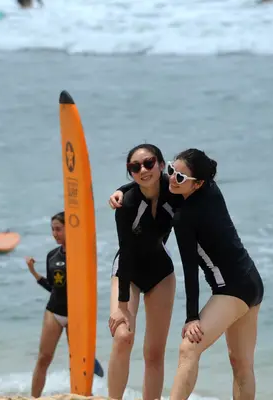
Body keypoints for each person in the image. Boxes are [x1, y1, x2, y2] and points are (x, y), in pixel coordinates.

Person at [164, 149, 264, 400]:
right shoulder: (211, 189)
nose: (171, 179)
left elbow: (190, 269)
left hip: (232, 289)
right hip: (251, 281)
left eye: (179, 177)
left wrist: (191, 317)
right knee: (241, 365)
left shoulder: (184, 218)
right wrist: (124, 190)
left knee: (189, 348)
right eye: (170, 170)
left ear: (197, 184)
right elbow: (154, 183)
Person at [105, 144, 181, 400]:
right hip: (128, 271)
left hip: (161, 272)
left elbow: (199, 185)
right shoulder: (126, 203)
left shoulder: (175, 192)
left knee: (154, 352)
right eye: (135, 167)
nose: (143, 170)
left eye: (149, 163)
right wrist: (123, 304)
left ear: (160, 163)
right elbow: (126, 251)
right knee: (123, 336)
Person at [26, 212, 68, 397]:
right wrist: (33, 272)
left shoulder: (82, 253)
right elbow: (53, 287)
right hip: (54, 311)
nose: (54, 233)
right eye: (52, 229)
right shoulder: (52, 256)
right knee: (43, 358)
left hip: (77, 313)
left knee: (80, 361)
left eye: (58, 229)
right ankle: (34, 397)